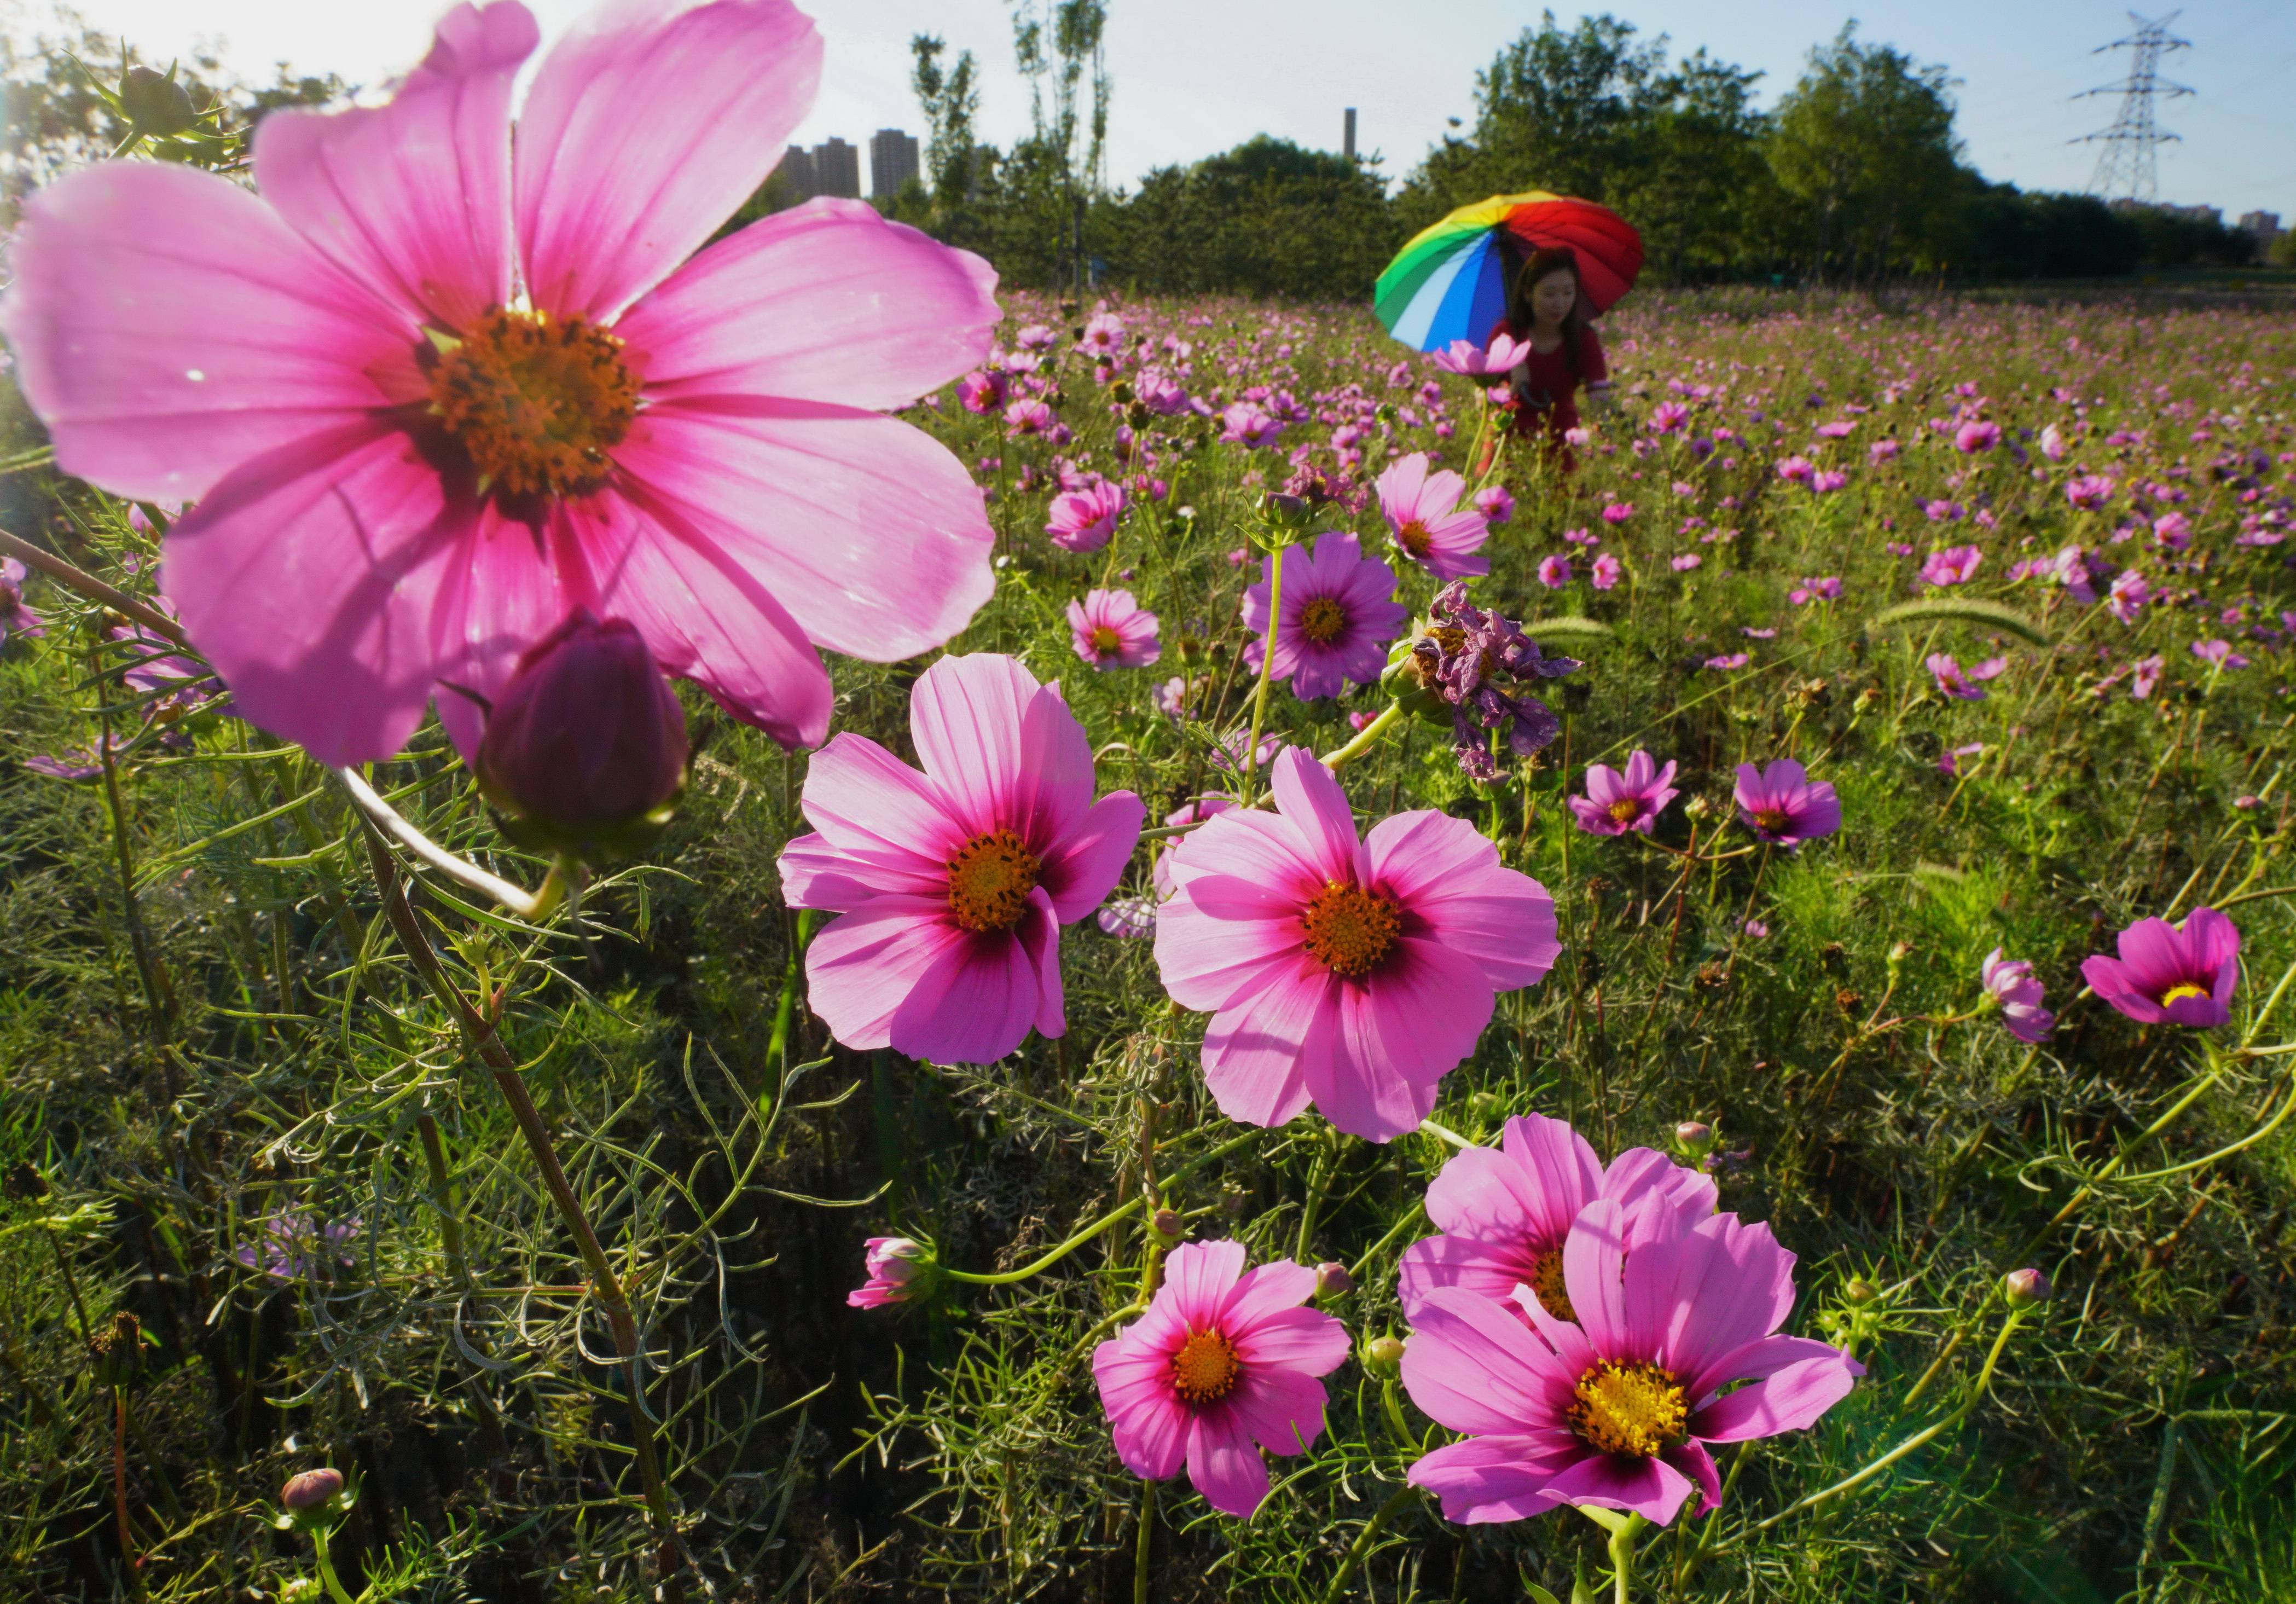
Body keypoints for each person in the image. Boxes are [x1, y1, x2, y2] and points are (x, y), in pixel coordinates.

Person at [1481, 245, 1615, 473]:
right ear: (1527, 293)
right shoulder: (1505, 334)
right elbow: (1482, 402)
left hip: (1561, 442)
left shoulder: (1583, 338)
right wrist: (1511, 386)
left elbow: (1599, 398)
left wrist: (1606, 428)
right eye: (1549, 293)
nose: (1560, 303)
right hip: (1506, 443)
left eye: (1568, 292)